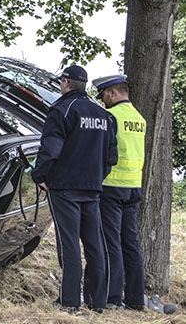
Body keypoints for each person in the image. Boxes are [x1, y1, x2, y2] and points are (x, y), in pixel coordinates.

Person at [31, 65, 117, 314]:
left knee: (69, 245)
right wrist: (97, 178)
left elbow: (51, 150)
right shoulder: (104, 115)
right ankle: (97, 302)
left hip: (65, 188)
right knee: (94, 246)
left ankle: (69, 301)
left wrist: (40, 176)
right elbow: (112, 157)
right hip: (92, 188)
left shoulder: (62, 110)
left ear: (66, 83)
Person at [92, 74, 178, 314]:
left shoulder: (111, 116)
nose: (103, 102)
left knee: (112, 243)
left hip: (111, 186)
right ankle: (135, 299)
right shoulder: (138, 118)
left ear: (111, 93)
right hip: (133, 187)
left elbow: (103, 151)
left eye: (104, 96)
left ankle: (111, 296)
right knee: (131, 243)